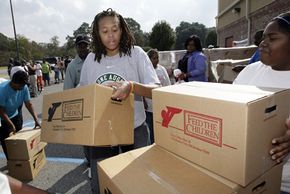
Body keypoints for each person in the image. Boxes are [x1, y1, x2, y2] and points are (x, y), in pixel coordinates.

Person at [79, 8, 160, 193]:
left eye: (115, 29)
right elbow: (82, 92)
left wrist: (131, 86)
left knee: (139, 182)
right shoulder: (91, 60)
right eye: (104, 31)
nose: (111, 36)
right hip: (102, 133)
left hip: (135, 129)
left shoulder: (136, 54)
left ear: (122, 29)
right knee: (101, 185)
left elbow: (157, 90)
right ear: (97, 34)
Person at [233, 11, 290, 194]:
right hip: (241, 178)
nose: (263, 43)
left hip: (281, 184)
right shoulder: (250, 72)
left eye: (272, 38)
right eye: (263, 37)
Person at [0, 71, 41, 159]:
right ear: (14, 82)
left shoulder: (24, 87)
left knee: (19, 139)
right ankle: (11, 162)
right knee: (7, 142)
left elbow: (28, 104)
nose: (23, 87)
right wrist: (10, 125)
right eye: (21, 85)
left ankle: (21, 161)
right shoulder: (2, 90)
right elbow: (2, 111)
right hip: (2, 118)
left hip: (15, 113)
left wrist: (36, 120)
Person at [63, 34, 90, 166]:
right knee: (86, 134)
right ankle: (89, 158)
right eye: (80, 46)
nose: (83, 48)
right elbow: (68, 90)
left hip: (99, 104)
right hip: (83, 106)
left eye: (85, 45)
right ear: (76, 47)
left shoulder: (97, 59)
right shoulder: (72, 66)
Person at [145, 48, 171, 144]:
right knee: (151, 130)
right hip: (149, 106)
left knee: (162, 128)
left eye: (157, 58)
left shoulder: (162, 69)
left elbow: (167, 85)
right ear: (148, 59)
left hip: (161, 106)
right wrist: (143, 101)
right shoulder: (145, 71)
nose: (156, 60)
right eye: (154, 58)